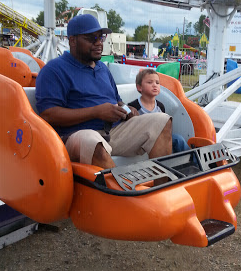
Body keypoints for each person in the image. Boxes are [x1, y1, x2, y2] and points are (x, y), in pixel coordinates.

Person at [35, 14, 172, 168]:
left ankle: (162, 188)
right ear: (72, 40)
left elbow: (117, 100)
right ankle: (121, 192)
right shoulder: (53, 70)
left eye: (101, 38)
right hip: (77, 135)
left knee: (162, 120)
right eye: (91, 38)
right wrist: (96, 112)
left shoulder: (102, 69)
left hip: (114, 130)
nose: (99, 43)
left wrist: (127, 110)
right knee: (93, 142)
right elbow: (48, 114)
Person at [128, 69, 190, 153]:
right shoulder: (133, 106)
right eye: (150, 82)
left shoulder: (160, 106)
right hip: (143, 140)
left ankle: (192, 161)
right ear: (139, 87)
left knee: (179, 139)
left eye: (157, 83)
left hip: (160, 138)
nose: (154, 85)